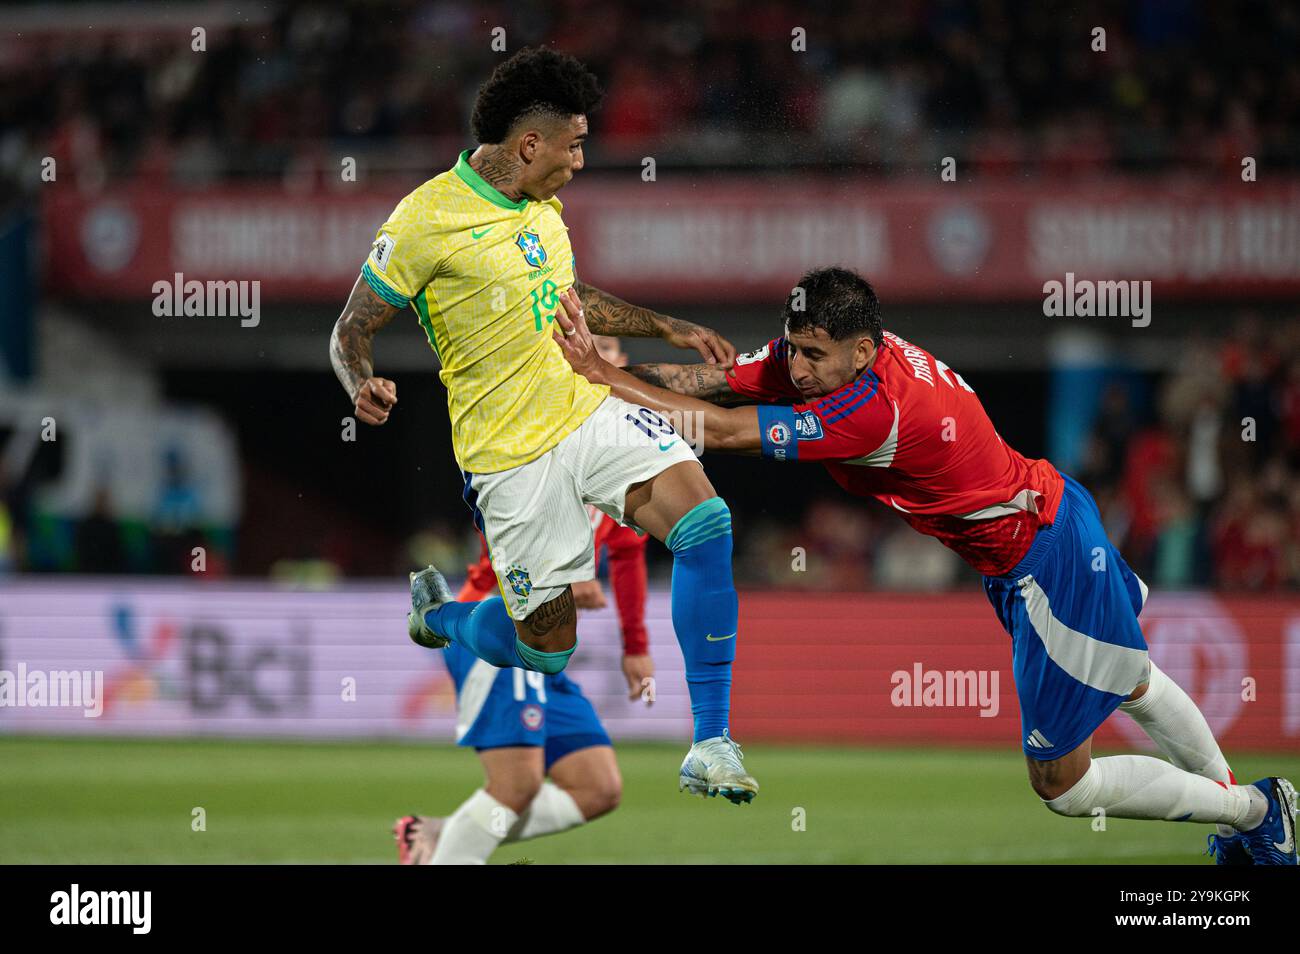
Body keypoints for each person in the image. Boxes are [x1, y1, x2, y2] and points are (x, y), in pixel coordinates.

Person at [552, 265, 1297, 864]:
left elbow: (720, 429)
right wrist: (607, 372)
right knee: (1133, 680)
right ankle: (1256, 822)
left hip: (1045, 561)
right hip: (1045, 521)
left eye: (814, 356)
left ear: (862, 352)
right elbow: (712, 383)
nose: (798, 368)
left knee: (1063, 786)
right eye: (794, 348)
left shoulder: (872, 411)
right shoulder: (846, 351)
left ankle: (1255, 811)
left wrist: (594, 374)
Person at [330, 47, 755, 802]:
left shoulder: (542, 207)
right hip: (507, 456)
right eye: (575, 144)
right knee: (548, 648)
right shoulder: (427, 218)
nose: (581, 161)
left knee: (706, 522)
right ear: (530, 145)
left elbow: (570, 298)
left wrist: (668, 326)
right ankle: (443, 618)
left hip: (585, 409)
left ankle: (712, 743)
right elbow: (350, 329)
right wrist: (361, 384)